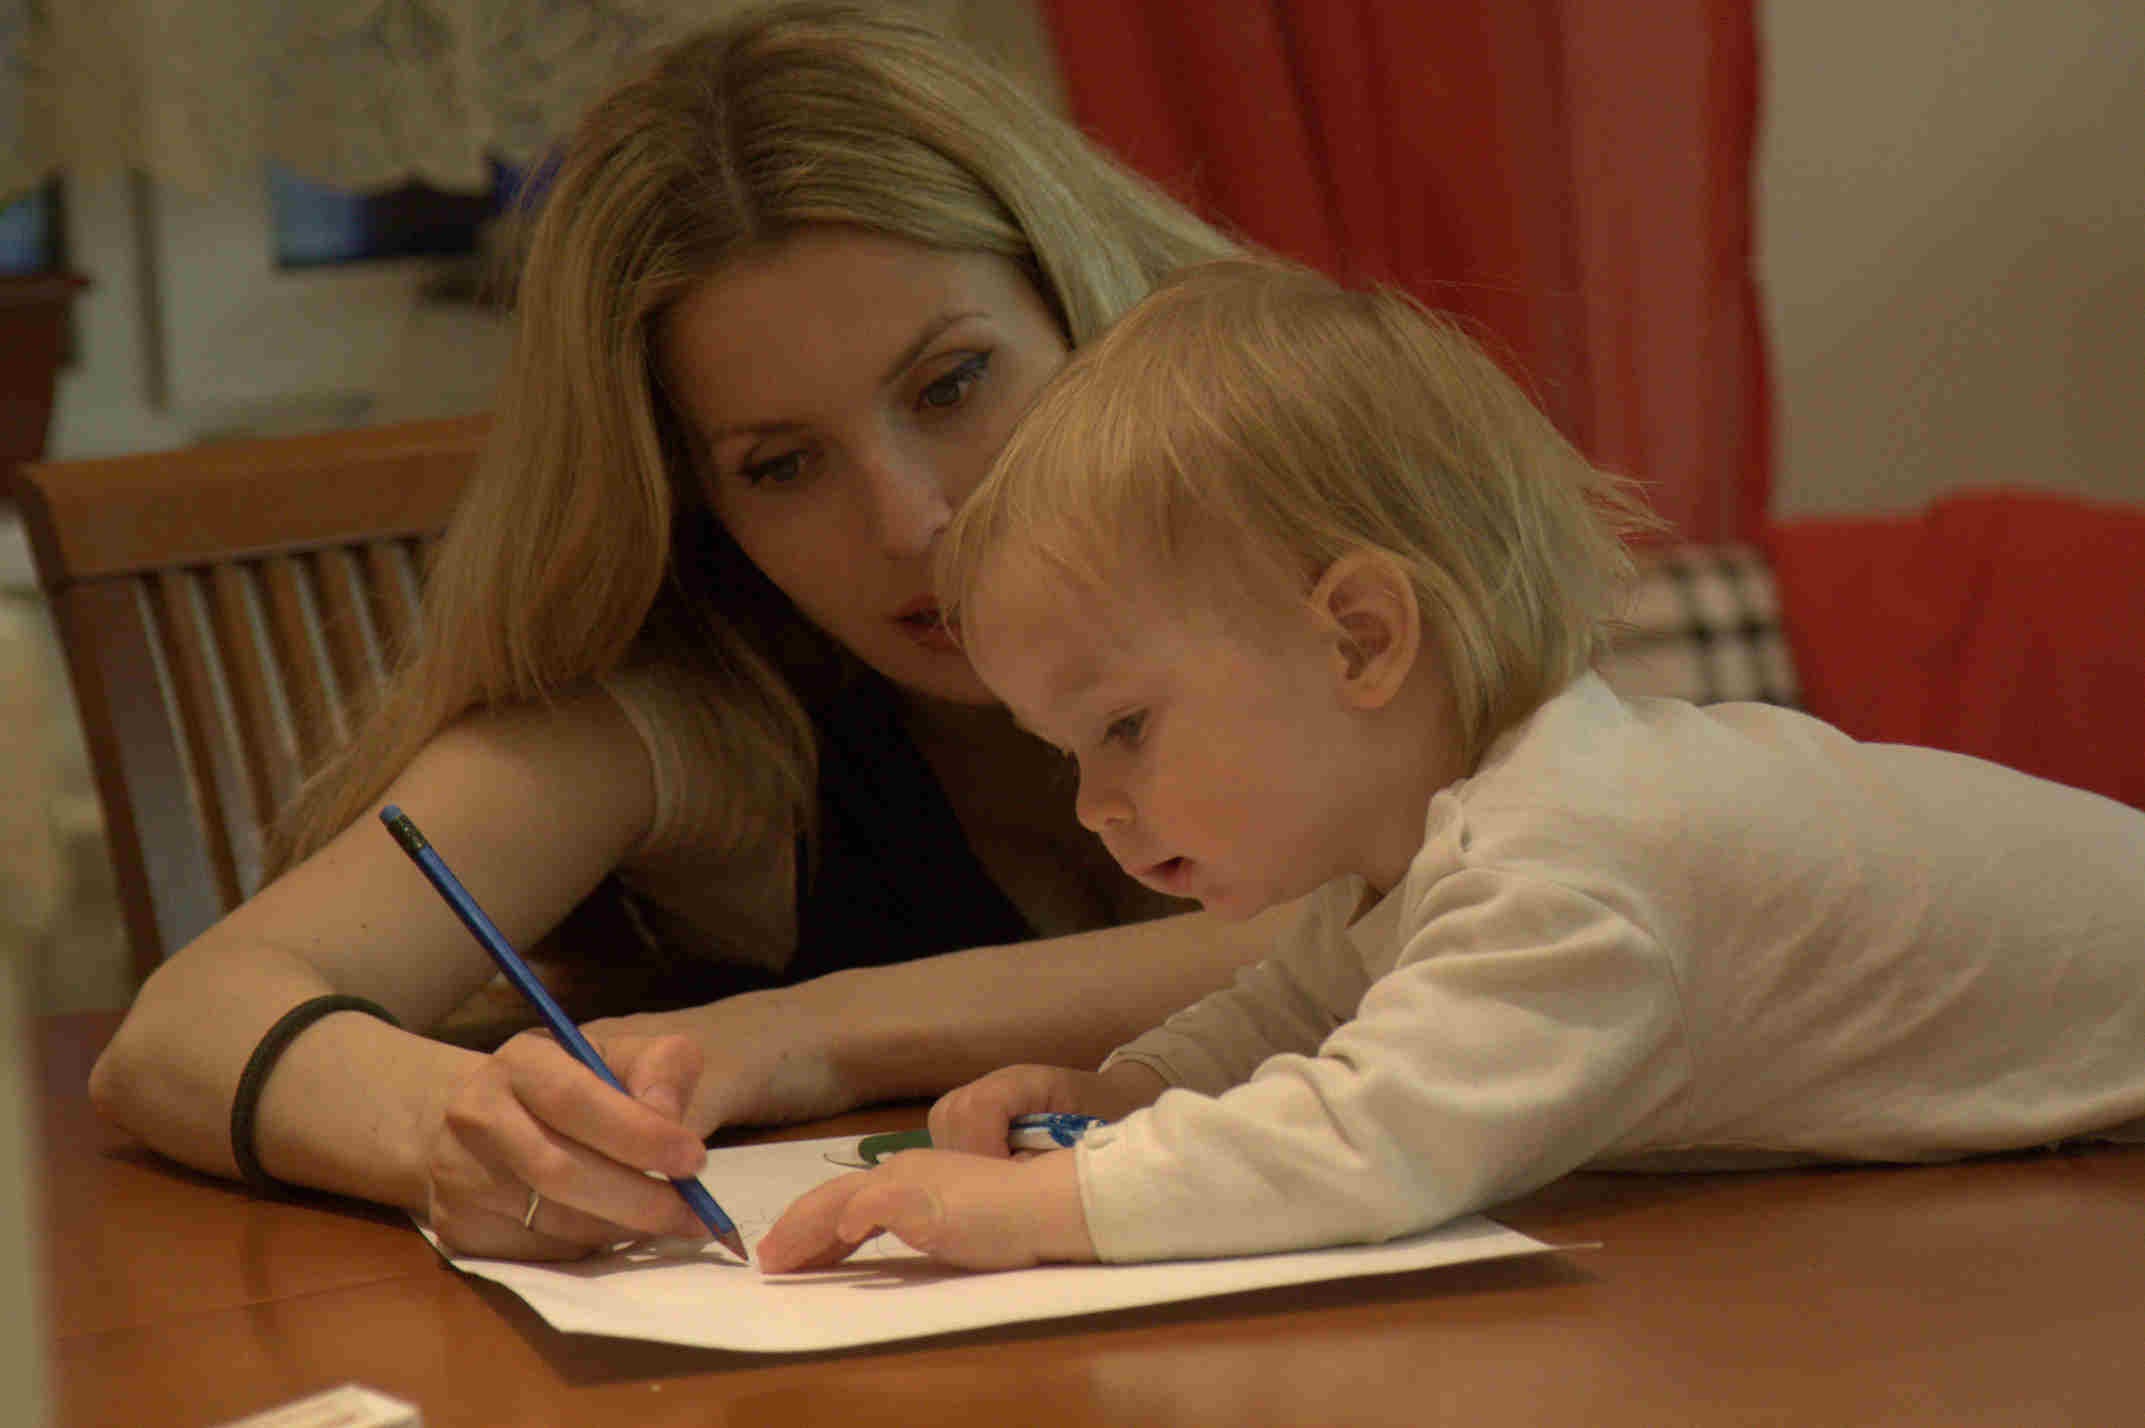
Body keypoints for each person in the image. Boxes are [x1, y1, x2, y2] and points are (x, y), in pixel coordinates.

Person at [86, 2, 1290, 1261]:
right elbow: (181, 1031)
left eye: (950, 384)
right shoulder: (708, 707)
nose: (908, 521)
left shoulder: (1332, 539)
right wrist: (463, 1130)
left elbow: (1396, 930)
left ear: (1090, 309)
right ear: (697, 502)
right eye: (782, 465)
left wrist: (807, 1033)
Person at [756, 259, 2145, 1273]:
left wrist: (1040, 1209)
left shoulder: (1572, 861)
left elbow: (1371, 1137)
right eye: (1069, 755)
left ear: (1362, 638)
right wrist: (1120, 1093)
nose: (1095, 806)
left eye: (1123, 727)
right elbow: (1300, 1015)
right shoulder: (1428, 863)